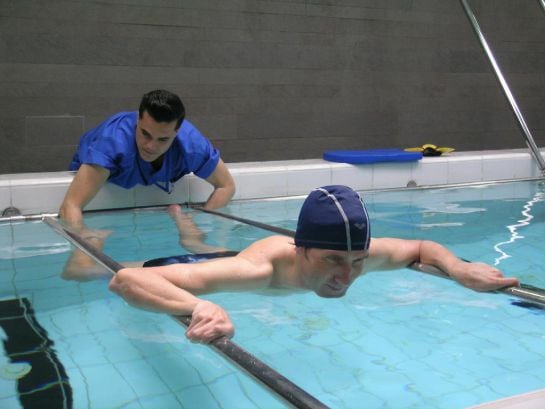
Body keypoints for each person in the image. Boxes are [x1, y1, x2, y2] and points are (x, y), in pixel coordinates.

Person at [108, 185, 520, 344]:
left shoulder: (358, 255)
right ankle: (182, 217)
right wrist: (198, 306)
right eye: (332, 260)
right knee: (191, 244)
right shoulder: (256, 272)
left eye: (358, 261)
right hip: (207, 263)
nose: (347, 276)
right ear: (299, 248)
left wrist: (458, 269)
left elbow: (419, 245)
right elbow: (125, 280)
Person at [59, 89, 236, 227]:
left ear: (177, 132)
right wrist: (83, 254)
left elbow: (226, 186)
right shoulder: (111, 142)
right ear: (138, 120)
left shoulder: (191, 145)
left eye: (163, 139)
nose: (150, 146)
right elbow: (71, 205)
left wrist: (199, 223)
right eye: (145, 134)